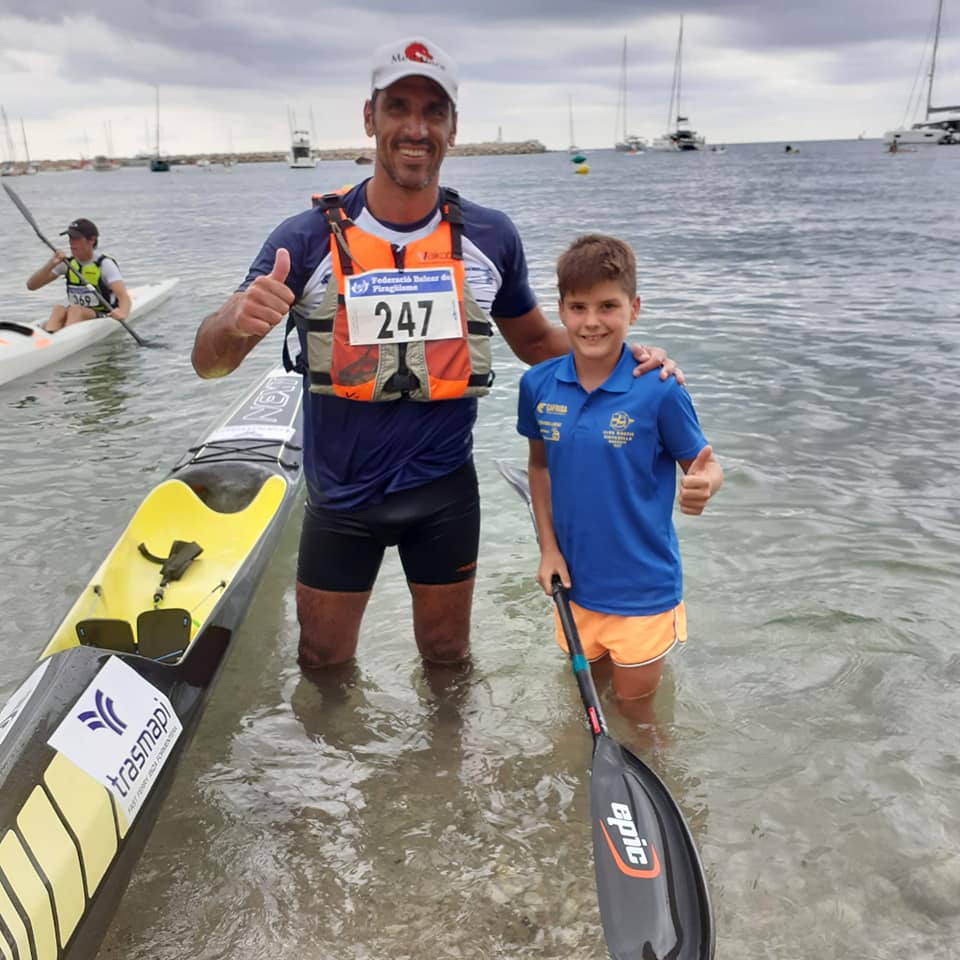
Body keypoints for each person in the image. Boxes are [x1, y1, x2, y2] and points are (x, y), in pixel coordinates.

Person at [191, 36, 682, 671]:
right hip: (341, 500)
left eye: (433, 111)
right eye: (398, 107)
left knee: (450, 660)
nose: (415, 128)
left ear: (452, 126)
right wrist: (231, 324)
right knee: (321, 661)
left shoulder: (488, 236)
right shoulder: (305, 238)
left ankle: (445, 769)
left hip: (443, 494)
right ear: (370, 119)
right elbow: (210, 363)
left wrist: (628, 356)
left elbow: (537, 343)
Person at [517, 234, 723, 701]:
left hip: (642, 590)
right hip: (572, 584)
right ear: (562, 309)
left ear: (634, 308)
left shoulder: (660, 388)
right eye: (578, 307)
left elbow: (707, 466)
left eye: (608, 306)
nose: (592, 322)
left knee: (639, 716)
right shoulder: (538, 385)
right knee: (585, 705)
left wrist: (702, 485)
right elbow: (539, 468)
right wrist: (548, 550)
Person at [26, 218, 130, 333]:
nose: (71, 242)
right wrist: (51, 264)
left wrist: (122, 313)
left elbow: (123, 296)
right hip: (76, 314)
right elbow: (31, 286)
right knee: (58, 309)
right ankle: (50, 336)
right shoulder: (67, 264)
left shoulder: (104, 265)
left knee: (75, 310)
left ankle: (63, 340)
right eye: (70, 238)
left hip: (104, 314)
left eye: (76, 238)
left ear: (92, 240)